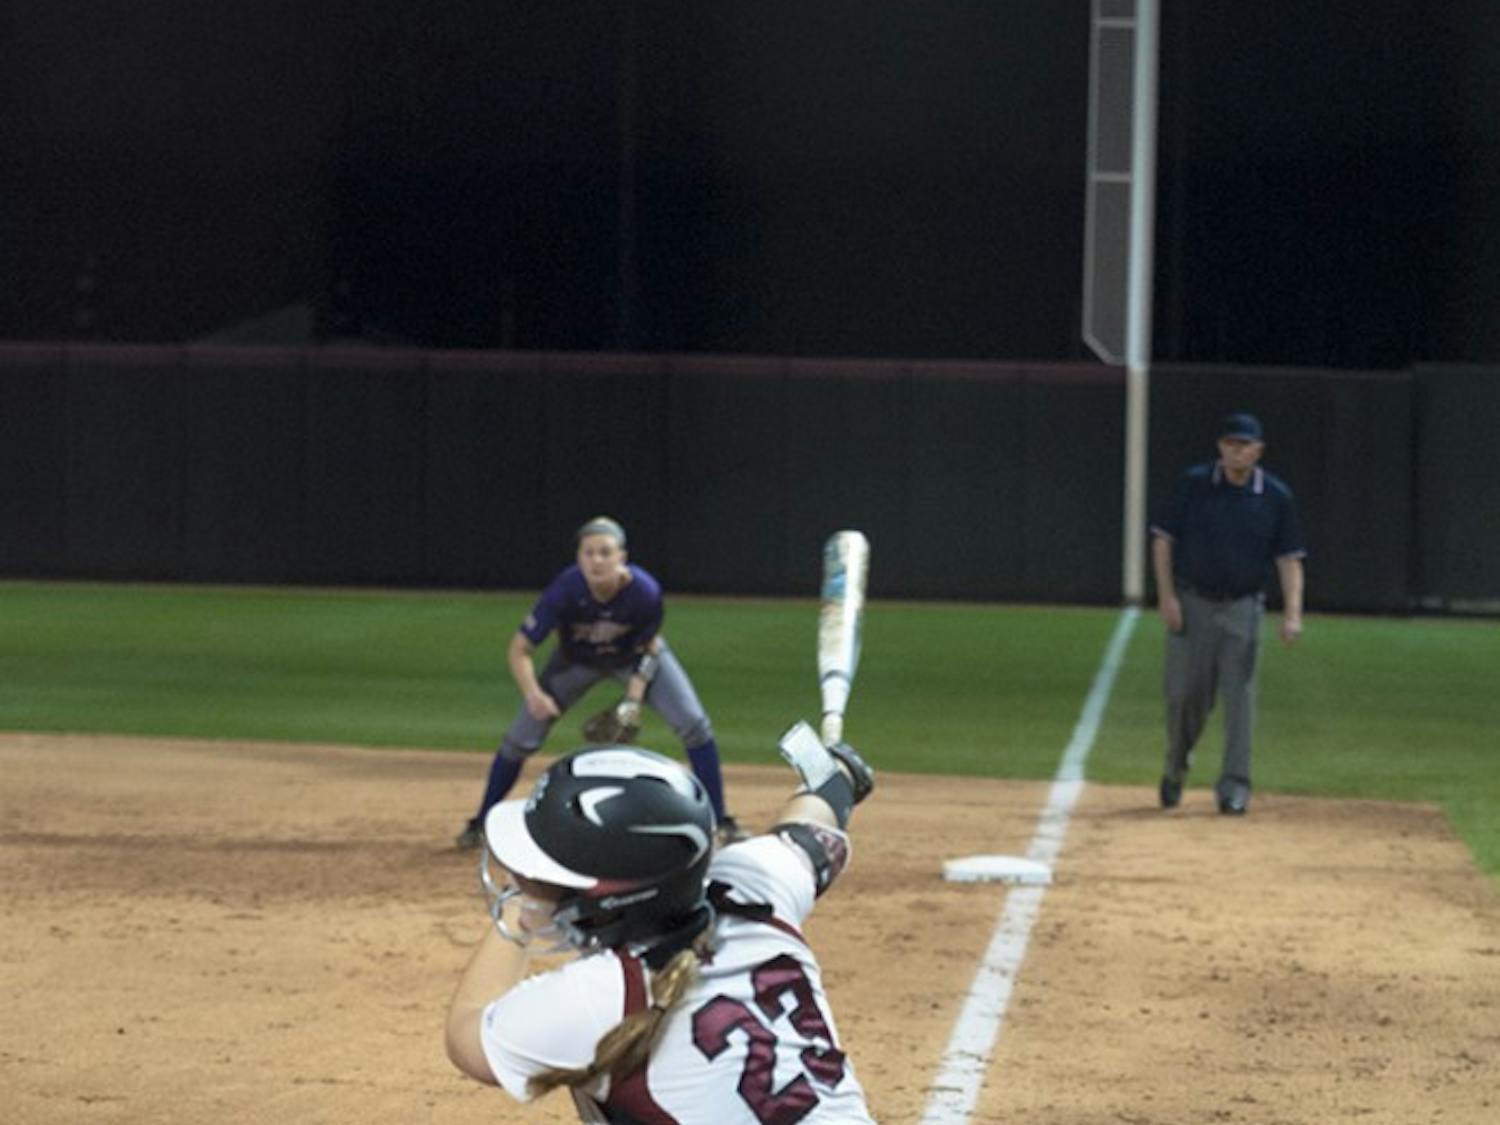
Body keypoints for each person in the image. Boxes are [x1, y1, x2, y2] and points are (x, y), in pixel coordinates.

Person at [443, 736, 879, 1123]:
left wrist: (519, 905)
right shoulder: (753, 881)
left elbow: (467, 1037)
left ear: (613, 901)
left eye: (543, 873)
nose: (523, 876)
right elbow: (812, 823)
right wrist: (836, 773)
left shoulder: (599, 997)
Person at [456, 516, 743, 850]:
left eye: (605, 552)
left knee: (694, 724)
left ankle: (720, 820)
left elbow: (649, 647)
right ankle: (480, 823)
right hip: (574, 662)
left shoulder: (645, 592)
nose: (596, 560)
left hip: (631, 660)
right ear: (579, 559)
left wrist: (633, 698)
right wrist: (533, 694)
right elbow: (519, 649)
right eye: (588, 553)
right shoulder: (565, 590)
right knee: (520, 739)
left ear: (622, 557)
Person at [1149, 412, 1307, 815]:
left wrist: (1292, 613)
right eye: (1230, 443)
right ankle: (1175, 766)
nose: (1237, 450)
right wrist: (1167, 596)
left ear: (1259, 450)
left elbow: (1289, 559)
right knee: (1184, 696)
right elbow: (1164, 540)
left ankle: (1235, 786)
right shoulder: (1194, 484)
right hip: (1193, 602)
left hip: (1243, 607)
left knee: (1240, 701)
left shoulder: (1274, 496)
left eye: (1245, 444)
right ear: (1220, 446)